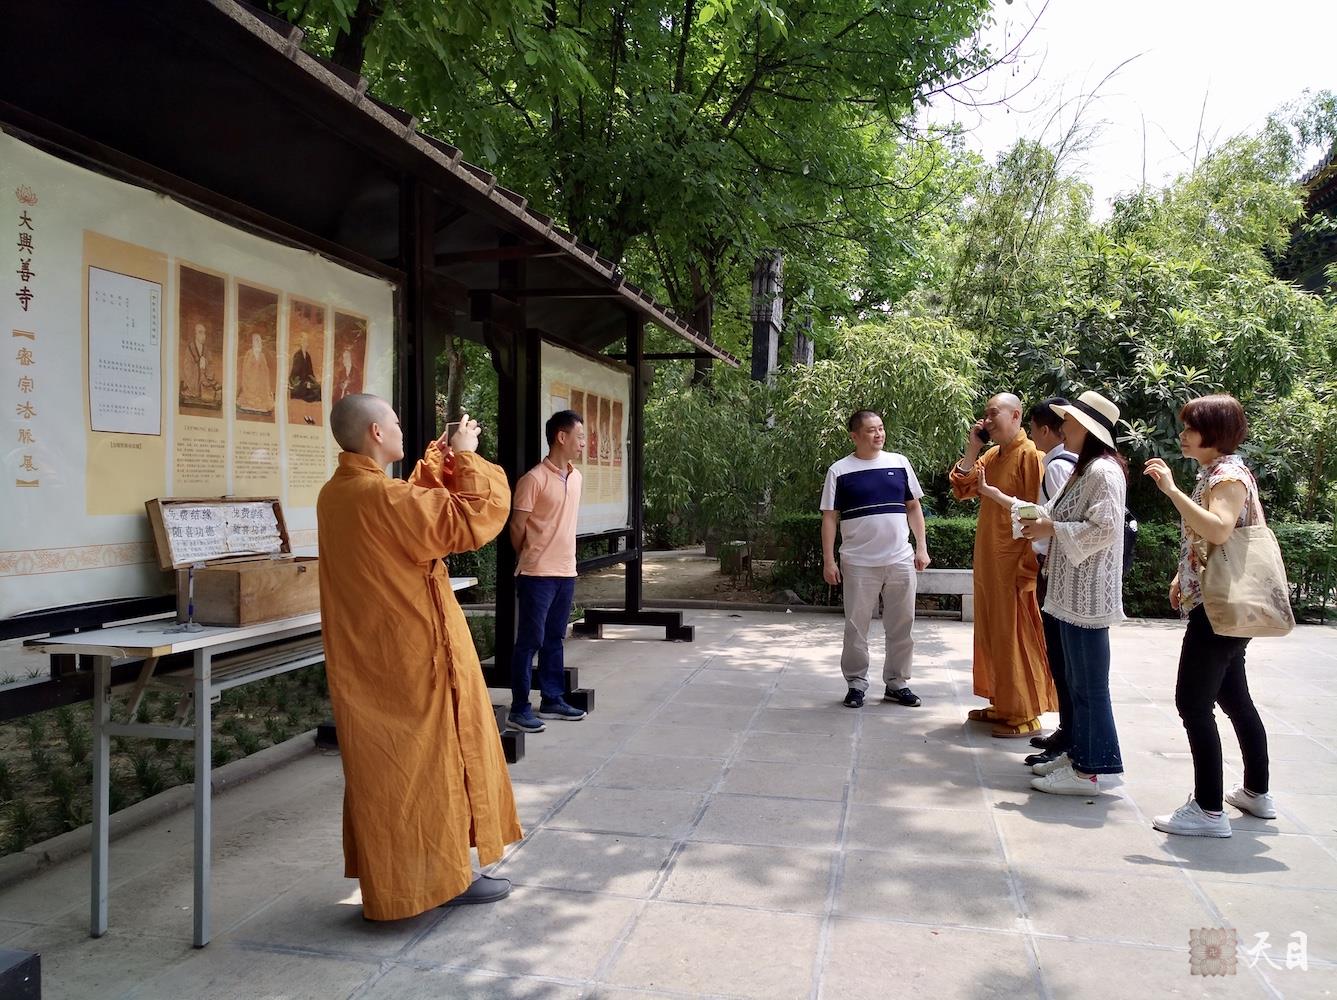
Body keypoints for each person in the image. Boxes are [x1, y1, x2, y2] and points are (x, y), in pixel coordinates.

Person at [317, 395, 519, 918]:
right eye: (397, 421)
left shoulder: (337, 494)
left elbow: (411, 513)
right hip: (412, 655)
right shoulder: (379, 496)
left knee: (388, 774)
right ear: (376, 434)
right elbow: (470, 518)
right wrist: (468, 456)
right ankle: (440, 880)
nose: (402, 428)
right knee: (427, 768)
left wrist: (442, 461)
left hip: (371, 657)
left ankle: (408, 881)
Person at [979, 390, 1127, 795]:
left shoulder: (1102, 472)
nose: (1064, 428)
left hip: (1088, 596)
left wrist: (1051, 530)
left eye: (1071, 423)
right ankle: (1083, 755)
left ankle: (1090, 770)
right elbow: (1052, 514)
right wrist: (1023, 512)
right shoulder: (1084, 469)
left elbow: (1106, 529)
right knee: (1077, 682)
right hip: (1068, 593)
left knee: (1090, 684)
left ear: (1088, 429)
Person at [1145, 394, 1274, 838]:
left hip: (1220, 609)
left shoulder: (1228, 476)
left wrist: (1171, 490)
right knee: (1234, 697)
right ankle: (1256, 792)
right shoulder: (1218, 472)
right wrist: (1186, 575)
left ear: (1213, 432)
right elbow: (1214, 538)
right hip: (1221, 601)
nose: (1182, 435)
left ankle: (1208, 809)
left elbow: (1219, 527)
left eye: (1190, 428)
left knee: (1193, 703)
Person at [949, 393, 1055, 738]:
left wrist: (1030, 560)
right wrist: (972, 448)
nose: (987, 420)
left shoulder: (1031, 457)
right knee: (993, 632)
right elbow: (963, 489)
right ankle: (1004, 701)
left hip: (1015, 562)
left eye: (994, 414)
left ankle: (1026, 713)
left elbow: (1035, 511)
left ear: (1016, 416)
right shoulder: (993, 455)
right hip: (989, 562)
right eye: (985, 415)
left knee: (1016, 635)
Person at [821, 409, 931, 709]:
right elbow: (830, 518)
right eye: (871, 430)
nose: (878, 434)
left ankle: (897, 682)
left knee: (902, 624)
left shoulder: (899, 463)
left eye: (881, 428)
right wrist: (829, 560)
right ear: (854, 435)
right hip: (857, 562)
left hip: (899, 559)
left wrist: (921, 547)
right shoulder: (839, 471)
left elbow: (913, 507)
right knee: (856, 626)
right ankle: (856, 683)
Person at [507, 410, 588, 733]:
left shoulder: (577, 477)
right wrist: (530, 554)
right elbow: (516, 526)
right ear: (561, 437)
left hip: (566, 572)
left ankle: (553, 699)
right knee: (529, 641)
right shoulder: (533, 479)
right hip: (536, 574)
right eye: (579, 436)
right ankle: (519, 707)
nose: (583, 443)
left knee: (555, 637)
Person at [1025, 398, 1078, 767]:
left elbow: (1069, 522)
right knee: (1059, 657)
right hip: (1053, 567)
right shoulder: (1060, 463)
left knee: (1066, 659)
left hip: (1060, 570)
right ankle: (1067, 730)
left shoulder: (1060, 466)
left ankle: (1072, 739)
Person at [180, 322, 220, 405]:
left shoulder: (206, 350)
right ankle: (195, 391)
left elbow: (211, 365)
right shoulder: (190, 349)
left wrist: (205, 365)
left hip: (204, 377)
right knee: (195, 390)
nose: (203, 335)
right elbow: (187, 367)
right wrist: (198, 365)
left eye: (204, 333)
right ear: (195, 334)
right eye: (200, 332)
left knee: (215, 388)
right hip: (193, 379)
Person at [236, 333, 275, 414]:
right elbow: (246, 370)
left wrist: (265, 382)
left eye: (259, 341)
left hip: (260, 384)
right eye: (256, 341)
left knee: (265, 400)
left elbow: (266, 371)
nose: (258, 343)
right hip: (250, 382)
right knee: (250, 399)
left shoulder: (262, 355)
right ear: (253, 342)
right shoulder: (249, 354)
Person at [289, 331, 321, 402]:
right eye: (304, 341)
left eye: (306, 341)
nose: (306, 343)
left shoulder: (308, 356)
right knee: (306, 392)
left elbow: (310, 373)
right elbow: (295, 375)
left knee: (319, 390)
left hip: (307, 383)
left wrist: (313, 381)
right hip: (298, 384)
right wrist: (305, 383)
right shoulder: (297, 355)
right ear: (301, 343)